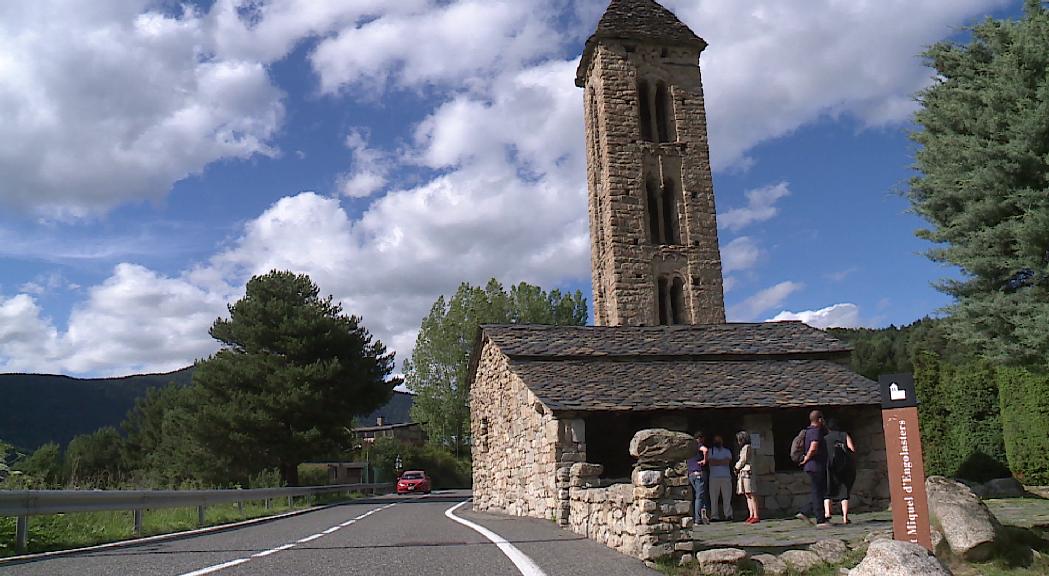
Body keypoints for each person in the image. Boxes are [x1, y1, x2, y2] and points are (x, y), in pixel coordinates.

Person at [799, 410, 830, 527]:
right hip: (816, 465)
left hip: (812, 466)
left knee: (818, 491)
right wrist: (806, 458)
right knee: (818, 492)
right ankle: (819, 519)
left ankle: (806, 511)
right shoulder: (816, 431)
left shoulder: (808, 431)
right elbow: (813, 447)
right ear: (820, 419)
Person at [824, 418, 857, 524]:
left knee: (828, 491)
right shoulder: (844, 435)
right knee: (844, 492)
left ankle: (828, 513)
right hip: (844, 467)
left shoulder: (825, 438)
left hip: (830, 467)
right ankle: (845, 517)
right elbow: (852, 448)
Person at [734, 430, 759, 524]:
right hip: (743, 473)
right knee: (747, 494)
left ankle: (756, 515)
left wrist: (736, 467)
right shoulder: (744, 448)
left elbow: (743, 459)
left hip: (748, 472)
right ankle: (751, 514)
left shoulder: (747, 447)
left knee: (751, 494)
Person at [707, 434, 733, 521]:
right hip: (714, 477)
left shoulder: (727, 451)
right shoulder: (710, 451)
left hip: (725, 477)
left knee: (727, 497)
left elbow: (727, 462)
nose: (717, 442)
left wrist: (717, 461)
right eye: (716, 440)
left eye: (719, 440)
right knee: (713, 498)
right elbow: (711, 462)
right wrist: (721, 461)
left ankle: (728, 514)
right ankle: (714, 516)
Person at [686, 431, 710, 524]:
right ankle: (697, 519)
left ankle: (703, 515)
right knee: (699, 496)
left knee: (700, 495)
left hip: (691, 473)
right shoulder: (697, 445)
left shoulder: (688, 447)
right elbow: (705, 450)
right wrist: (705, 460)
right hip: (698, 473)